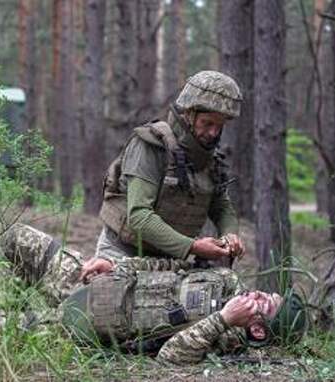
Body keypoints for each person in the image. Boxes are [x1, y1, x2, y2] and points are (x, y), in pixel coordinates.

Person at [2, 223, 307, 365]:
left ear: (256, 327)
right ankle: (15, 301)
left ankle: (17, 317)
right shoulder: (227, 278)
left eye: (264, 302)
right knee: (17, 238)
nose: (258, 293)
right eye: (267, 292)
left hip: (88, 326)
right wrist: (116, 263)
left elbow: (169, 356)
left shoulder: (228, 343)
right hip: (96, 282)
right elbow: (168, 265)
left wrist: (223, 319)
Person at [96, 70, 246, 266]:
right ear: (188, 114)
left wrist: (230, 234)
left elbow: (221, 206)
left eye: (219, 126)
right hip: (121, 254)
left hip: (171, 260)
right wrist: (192, 246)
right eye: (207, 123)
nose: (213, 133)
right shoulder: (151, 146)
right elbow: (139, 216)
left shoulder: (210, 159)